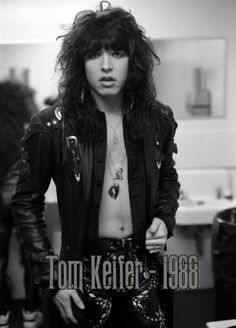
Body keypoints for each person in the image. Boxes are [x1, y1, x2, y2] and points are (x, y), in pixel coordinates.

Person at [12, 2, 180, 327]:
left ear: (134, 61)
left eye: (117, 54)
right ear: (80, 63)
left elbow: (168, 178)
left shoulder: (157, 119)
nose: (106, 66)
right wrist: (53, 277)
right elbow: (25, 203)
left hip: (144, 268)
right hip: (80, 271)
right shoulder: (51, 127)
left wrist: (164, 218)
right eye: (94, 55)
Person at [0, 80, 43, 328]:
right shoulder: (29, 129)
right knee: (31, 259)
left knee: (0, 260)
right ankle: (30, 312)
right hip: (24, 203)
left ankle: (2, 314)